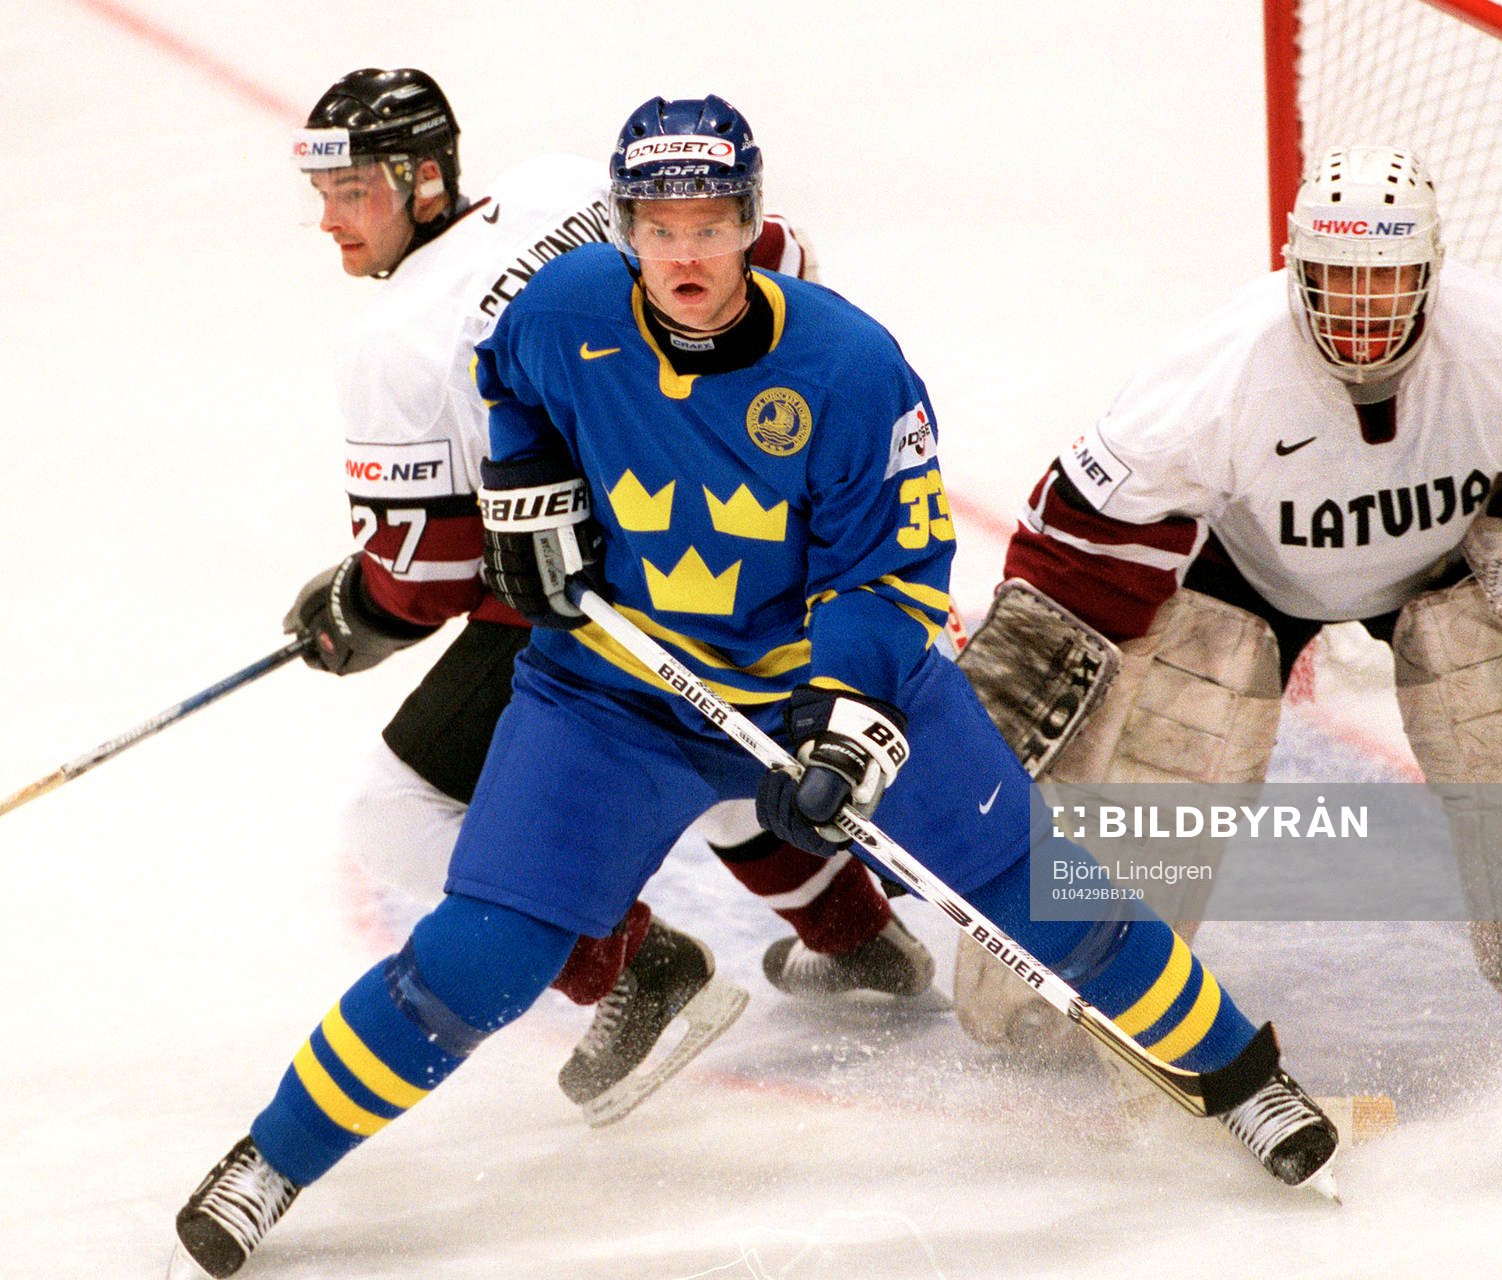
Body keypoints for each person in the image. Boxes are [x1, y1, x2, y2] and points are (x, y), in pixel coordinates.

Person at [167, 93, 1338, 1280]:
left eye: (711, 227)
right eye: (659, 229)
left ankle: (1246, 1079)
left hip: (815, 685)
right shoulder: (561, 312)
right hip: (613, 695)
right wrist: (530, 489)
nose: (685, 257)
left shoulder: (849, 364)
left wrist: (846, 725)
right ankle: (270, 1160)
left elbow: (890, 572)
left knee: (1045, 895)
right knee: (481, 954)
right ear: (624, 228)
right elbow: (507, 383)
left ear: (750, 223)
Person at [279, 68, 937, 1127]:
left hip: (606, 595)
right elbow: (783, 261)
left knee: (395, 814)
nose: (329, 220)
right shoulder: (558, 186)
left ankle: (637, 965)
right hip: (754, 540)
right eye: (324, 193)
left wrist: (359, 610)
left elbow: (433, 573)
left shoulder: (393, 340)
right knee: (714, 735)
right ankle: (856, 937)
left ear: (424, 177)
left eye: (352, 191)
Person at [953, 143, 1502, 1057]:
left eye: (1385, 278)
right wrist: (1016, 682)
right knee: (1160, 739)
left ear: (1431, 271)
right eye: (1337, 277)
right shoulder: (1217, 374)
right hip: (1241, 579)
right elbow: (1081, 537)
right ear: (1295, 269)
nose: (1360, 307)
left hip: (1446, 566)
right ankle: (1072, 980)